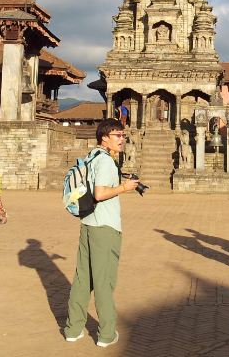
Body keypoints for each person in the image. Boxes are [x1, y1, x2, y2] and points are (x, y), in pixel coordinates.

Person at [64, 119, 143, 347]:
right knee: (104, 281)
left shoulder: (92, 157)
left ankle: (73, 329)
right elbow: (99, 194)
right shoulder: (106, 161)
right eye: (118, 135)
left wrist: (120, 182)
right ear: (105, 138)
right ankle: (107, 334)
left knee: (82, 279)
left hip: (88, 224)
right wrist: (124, 188)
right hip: (105, 228)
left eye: (123, 135)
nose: (122, 139)